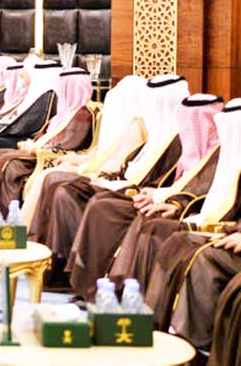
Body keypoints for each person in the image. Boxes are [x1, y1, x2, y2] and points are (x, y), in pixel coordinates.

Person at [65, 76, 200, 300]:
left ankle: (113, 290)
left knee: (102, 208)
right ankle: (88, 285)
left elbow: (189, 187)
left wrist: (163, 198)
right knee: (87, 197)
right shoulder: (161, 133)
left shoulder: (179, 140)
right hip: (146, 194)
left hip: (164, 203)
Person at [143, 98, 241, 334]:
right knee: (176, 241)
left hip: (223, 227)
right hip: (221, 225)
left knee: (202, 258)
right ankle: (155, 325)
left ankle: (195, 342)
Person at [107, 94, 223, 290]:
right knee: (105, 204)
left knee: (152, 224)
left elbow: (211, 194)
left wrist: (172, 202)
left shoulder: (219, 153)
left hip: (200, 216)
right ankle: (117, 288)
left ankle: (129, 292)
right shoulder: (185, 144)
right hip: (173, 203)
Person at [22, 75, 149, 228]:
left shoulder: (136, 128)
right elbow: (99, 152)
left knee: (49, 177)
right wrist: (75, 160)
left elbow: (115, 165)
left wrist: (80, 166)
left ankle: (26, 231)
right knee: (48, 176)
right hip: (95, 168)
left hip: (106, 177)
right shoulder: (122, 124)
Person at [0, 68, 95, 212]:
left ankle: (9, 214)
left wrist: (35, 147)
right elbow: (46, 134)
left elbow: (68, 144)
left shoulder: (83, 115)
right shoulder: (64, 112)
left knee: (10, 164)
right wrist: (33, 143)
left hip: (49, 157)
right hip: (39, 150)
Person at [0, 60, 61, 196]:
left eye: (23, 77)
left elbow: (28, 126)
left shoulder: (48, 98)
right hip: (17, 136)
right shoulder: (35, 95)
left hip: (25, 139)